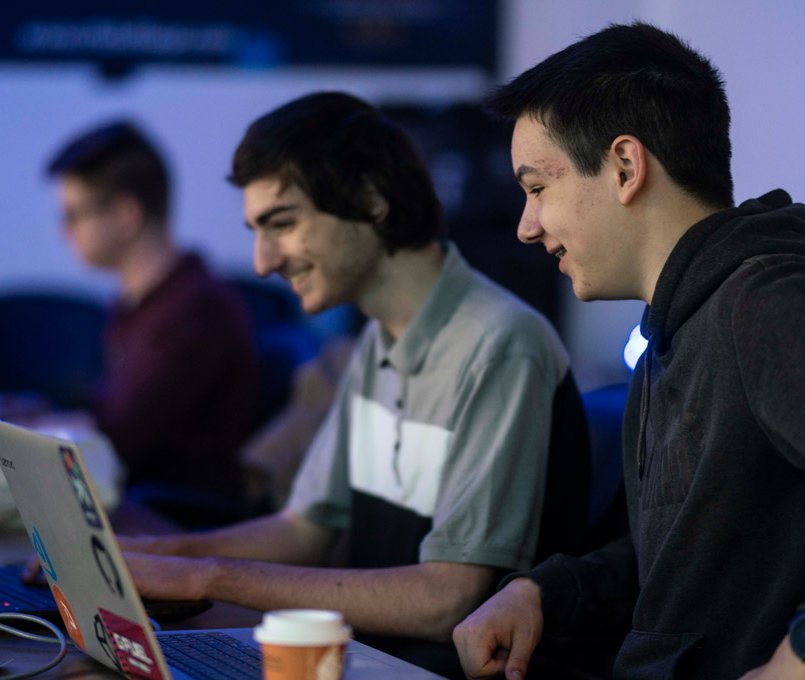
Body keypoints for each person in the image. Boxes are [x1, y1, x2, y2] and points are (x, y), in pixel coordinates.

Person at [451, 21, 805, 680]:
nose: (526, 226)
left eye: (538, 187)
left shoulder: (764, 301)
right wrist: (545, 592)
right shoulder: (671, 332)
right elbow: (697, 557)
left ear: (625, 166)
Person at [102, 92, 591, 674]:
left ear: (371, 202)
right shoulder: (377, 340)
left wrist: (206, 575)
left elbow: (448, 599)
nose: (262, 262)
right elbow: (303, 530)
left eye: (281, 224)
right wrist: (149, 555)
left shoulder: (499, 343)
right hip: (368, 659)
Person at [46, 120, 262, 519]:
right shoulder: (137, 304)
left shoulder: (195, 309)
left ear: (126, 215)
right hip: (138, 504)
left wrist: (29, 426)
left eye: (74, 215)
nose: (64, 232)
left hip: (176, 522)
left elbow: (119, 437)